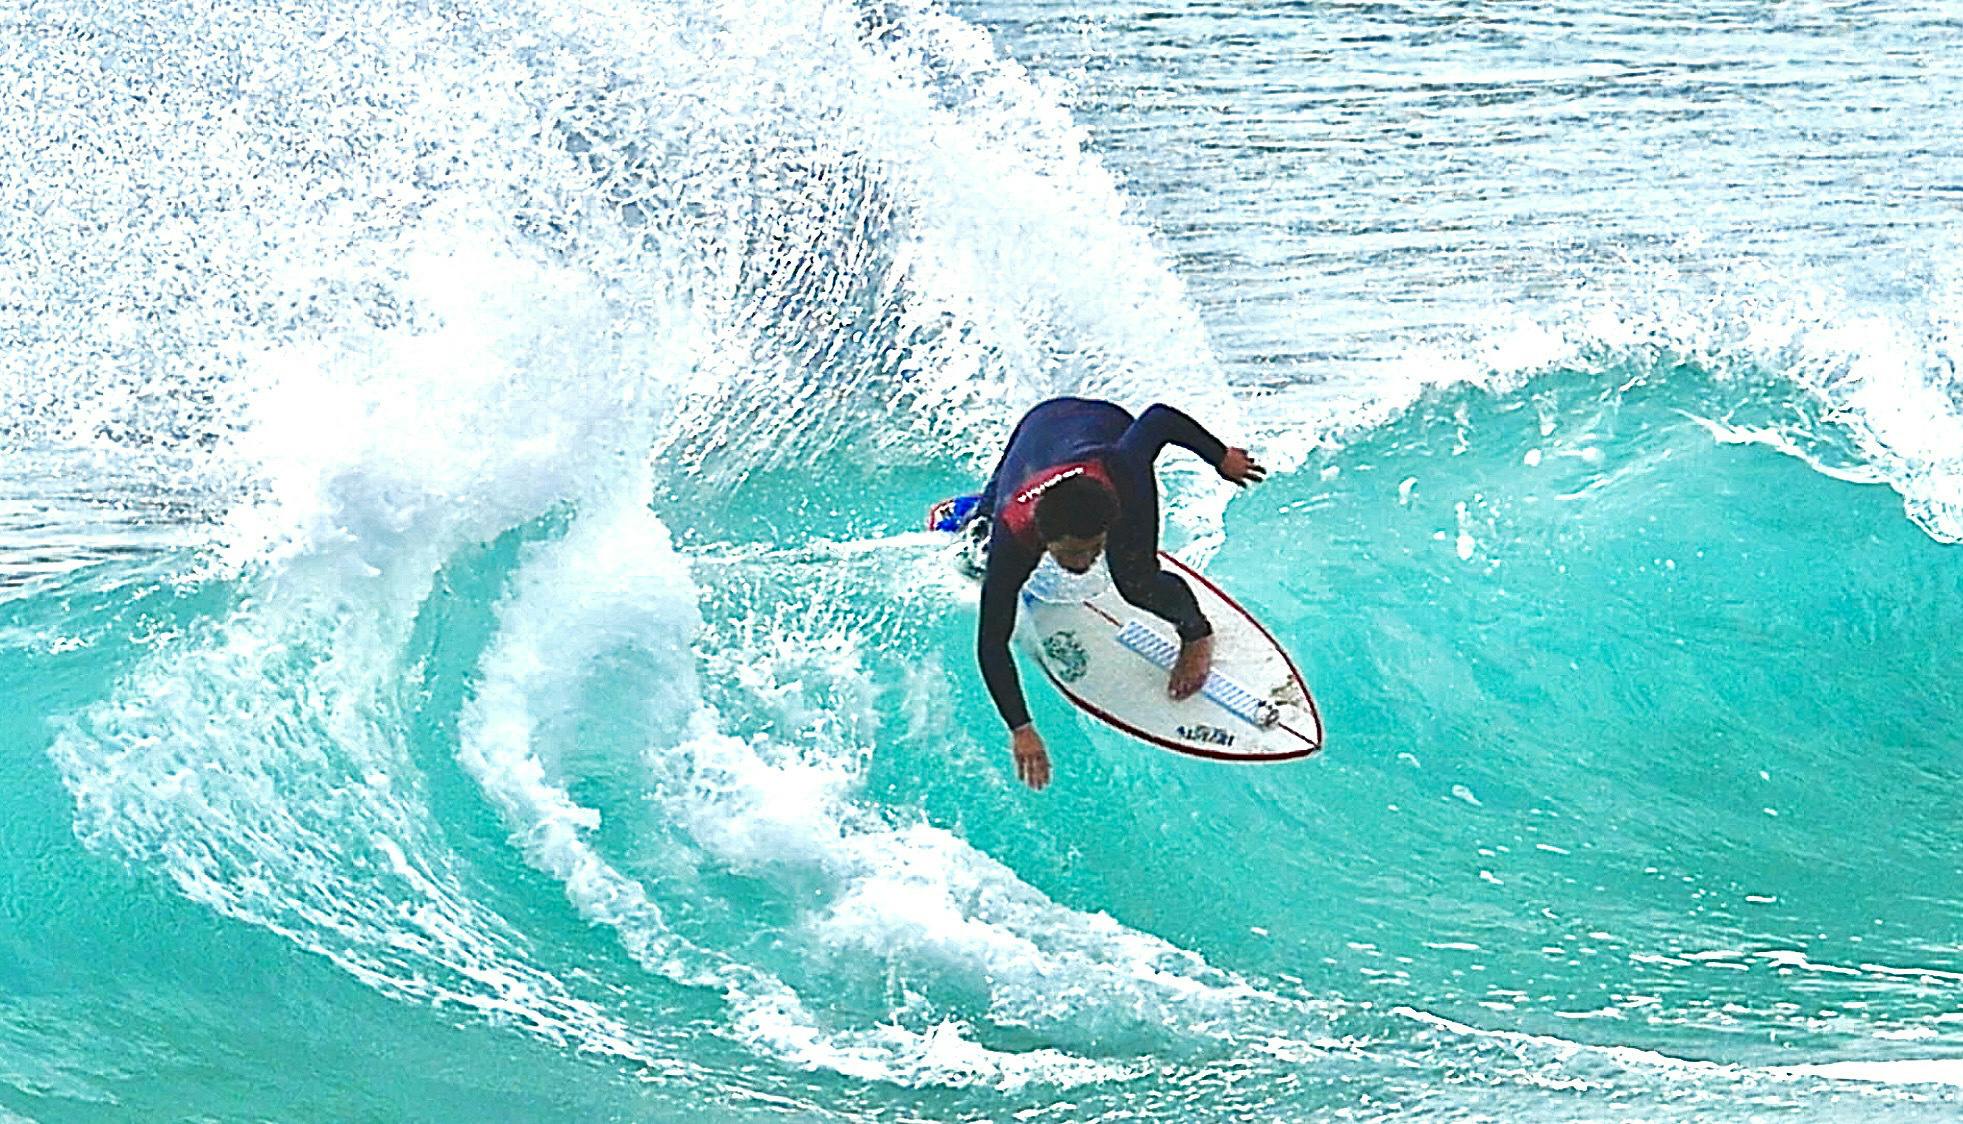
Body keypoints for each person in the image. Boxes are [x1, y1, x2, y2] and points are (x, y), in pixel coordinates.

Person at [965, 398, 1265, 791]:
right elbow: (991, 643)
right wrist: (1021, 728)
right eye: (1071, 553)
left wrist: (1220, 457)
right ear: (1044, 539)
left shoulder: (1121, 469)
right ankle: (978, 516)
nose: (1085, 562)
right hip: (1037, 428)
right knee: (982, 548)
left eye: (1093, 548)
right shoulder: (1016, 535)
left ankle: (1196, 633)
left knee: (1135, 580)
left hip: (1102, 429)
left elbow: (1159, 419)